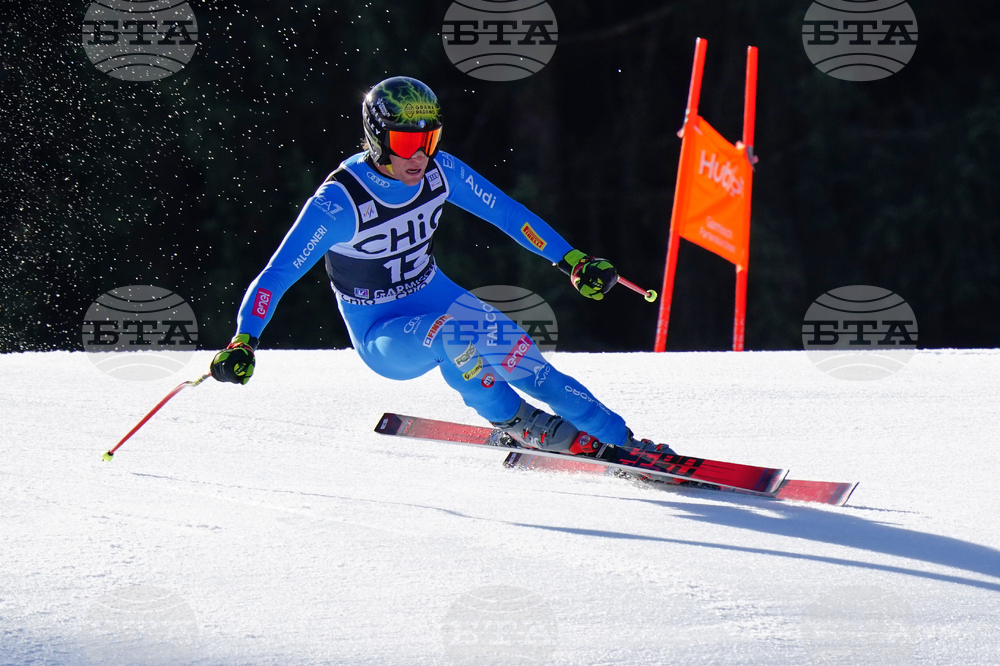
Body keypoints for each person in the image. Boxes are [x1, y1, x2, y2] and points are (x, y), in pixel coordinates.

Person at [210, 76, 671, 457]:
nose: (419, 156)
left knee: (530, 364)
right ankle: (518, 423)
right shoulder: (339, 203)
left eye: (428, 140)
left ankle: (626, 443)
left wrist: (570, 259)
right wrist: (244, 339)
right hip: (382, 333)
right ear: (376, 137)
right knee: (452, 335)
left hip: (433, 293)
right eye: (407, 142)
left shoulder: (440, 170)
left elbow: (507, 214)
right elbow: (277, 274)